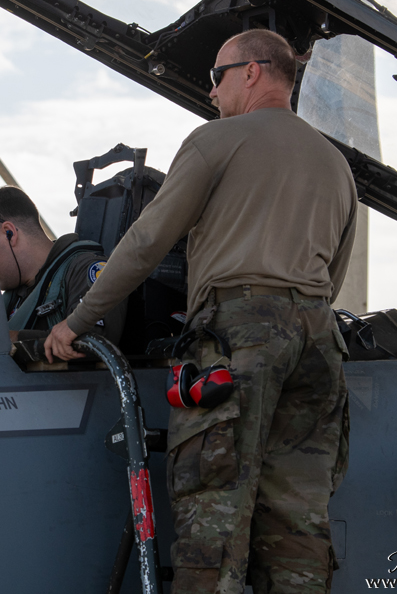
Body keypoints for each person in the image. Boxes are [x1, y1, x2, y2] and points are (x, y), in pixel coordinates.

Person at [45, 29, 357, 593]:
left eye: (217, 76)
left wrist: (77, 321)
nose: (211, 92)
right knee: (298, 524)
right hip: (317, 341)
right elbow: (334, 274)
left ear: (252, 72)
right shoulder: (335, 163)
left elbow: (146, 242)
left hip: (240, 334)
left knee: (213, 515)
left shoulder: (215, 141)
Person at [0, 185, 126, 345]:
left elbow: (96, 343)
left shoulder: (83, 270)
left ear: (9, 233)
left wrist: (16, 339)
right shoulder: (12, 298)